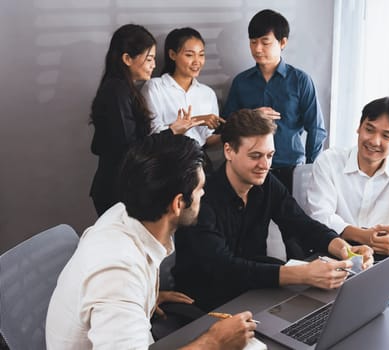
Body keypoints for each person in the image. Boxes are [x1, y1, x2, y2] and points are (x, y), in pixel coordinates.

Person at [46, 133, 256, 349]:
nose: (203, 193)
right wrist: (215, 342)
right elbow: (118, 283)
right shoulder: (119, 274)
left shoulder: (123, 213)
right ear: (178, 203)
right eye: (200, 188)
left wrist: (143, 297)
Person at [172, 109, 373, 312]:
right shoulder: (202, 198)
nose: (265, 165)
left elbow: (302, 224)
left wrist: (344, 249)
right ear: (228, 151)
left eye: (270, 155)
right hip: (206, 299)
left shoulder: (267, 183)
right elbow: (223, 268)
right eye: (255, 156)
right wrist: (303, 274)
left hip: (254, 290)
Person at [307, 97, 389, 258]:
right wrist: (364, 236)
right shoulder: (329, 161)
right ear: (359, 127)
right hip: (334, 249)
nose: (374, 141)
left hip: (383, 254)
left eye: (386, 136)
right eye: (370, 129)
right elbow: (320, 216)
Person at [222, 9, 327, 192]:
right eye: (253, 42)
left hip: (291, 167)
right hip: (249, 169)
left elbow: (316, 128)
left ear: (282, 42)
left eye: (265, 42)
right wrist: (251, 117)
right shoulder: (241, 82)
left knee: (290, 219)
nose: (257, 49)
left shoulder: (300, 80)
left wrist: (310, 169)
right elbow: (225, 126)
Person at [89, 24, 161, 216]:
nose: (153, 65)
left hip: (121, 185)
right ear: (127, 59)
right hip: (117, 189)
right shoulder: (117, 91)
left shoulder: (122, 89)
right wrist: (172, 132)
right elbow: (129, 146)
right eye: (149, 59)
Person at [141, 27, 224, 148]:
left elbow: (207, 139)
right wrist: (197, 120)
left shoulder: (208, 93)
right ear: (172, 54)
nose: (197, 61)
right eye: (189, 55)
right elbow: (154, 133)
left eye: (201, 55)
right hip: (164, 159)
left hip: (197, 161)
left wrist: (231, 134)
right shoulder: (155, 87)